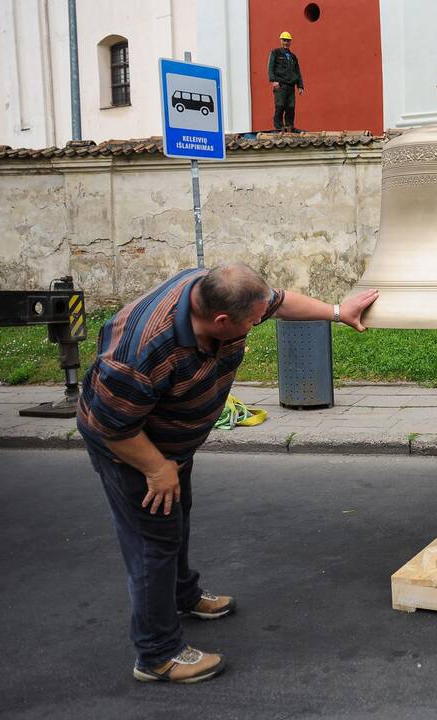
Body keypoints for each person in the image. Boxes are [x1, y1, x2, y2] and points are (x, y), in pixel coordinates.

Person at [77, 263, 378, 684]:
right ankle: (157, 655)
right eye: (253, 323)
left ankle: (182, 595)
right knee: (153, 540)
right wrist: (156, 467)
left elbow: (279, 302)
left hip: (169, 440)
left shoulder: (224, 293)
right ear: (220, 321)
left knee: (176, 517)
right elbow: (109, 427)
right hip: (128, 446)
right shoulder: (140, 353)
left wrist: (336, 310)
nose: (259, 324)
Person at [268, 31, 304, 132]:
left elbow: (297, 71)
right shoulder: (275, 53)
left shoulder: (293, 57)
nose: (286, 42)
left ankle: (289, 126)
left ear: (290, 42)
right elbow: (270, 67)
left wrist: (300, 86)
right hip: (280, 85)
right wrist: (273, 80)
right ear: (281, 41)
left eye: (288, 40)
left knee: (290, 107)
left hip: (291, 85)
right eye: (284, 40)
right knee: (280, 105)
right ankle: (279, 127)